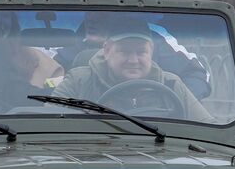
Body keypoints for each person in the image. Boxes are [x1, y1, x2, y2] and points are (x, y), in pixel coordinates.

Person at [52, 20, 212, 122]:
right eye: (125, 51)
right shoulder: (79, 81)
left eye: (141, 52)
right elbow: (49, 122)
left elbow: (208, 129)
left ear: (151, 52)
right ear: (107, 51)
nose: (133, 60)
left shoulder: (172, 84)